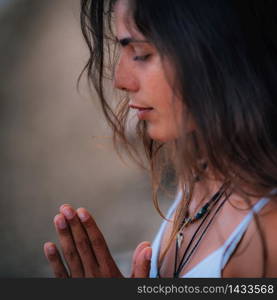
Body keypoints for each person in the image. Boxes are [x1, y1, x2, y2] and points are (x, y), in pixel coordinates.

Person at [43, 0, 277, 278]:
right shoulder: (203, 171)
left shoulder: (269, 235)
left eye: (140, 53)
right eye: (122, 49)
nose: (120, 79)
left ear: (218, 50)